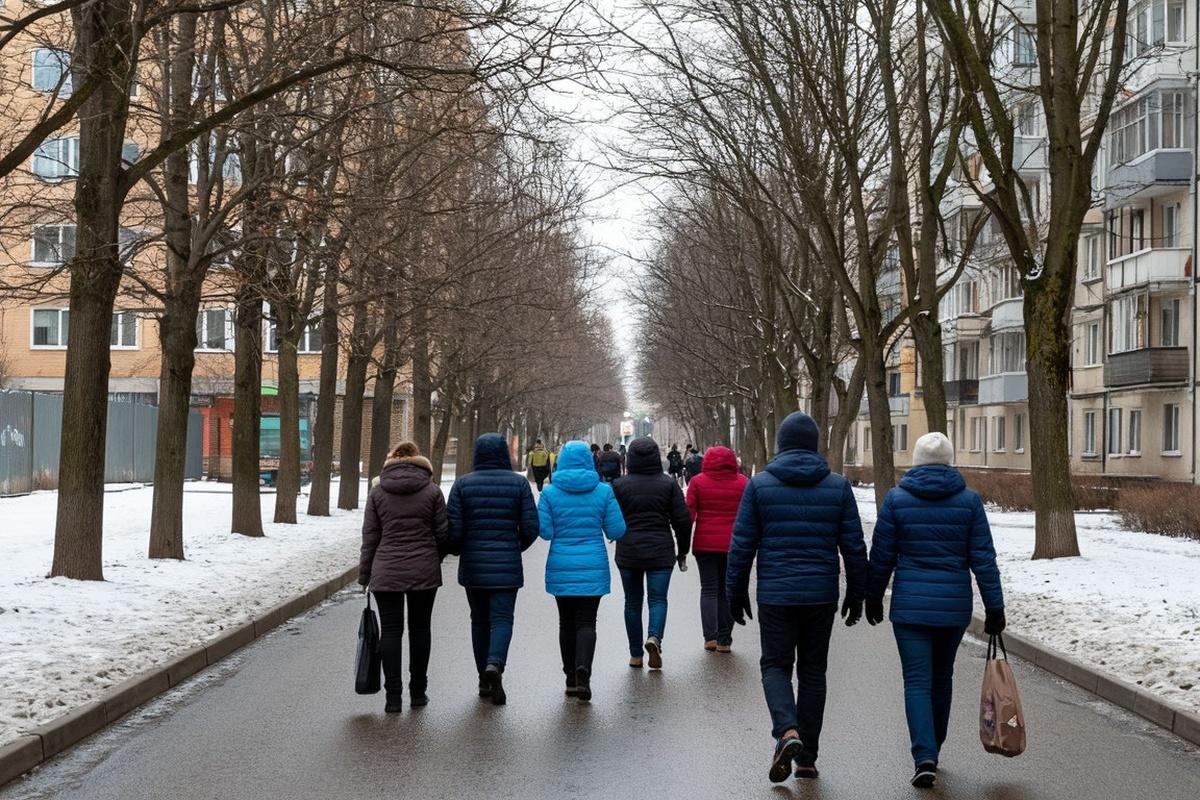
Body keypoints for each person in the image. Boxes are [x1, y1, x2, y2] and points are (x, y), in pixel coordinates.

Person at [726, 411, 867, 783]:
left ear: (781, 444)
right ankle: (807, 759)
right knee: (813, 672)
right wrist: (857, 591)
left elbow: (742, 545)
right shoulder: (837, 487)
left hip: (776, 594)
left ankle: (787, 730)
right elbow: (853, 544)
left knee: (775, 666)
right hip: (821, 594)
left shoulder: (759, 486)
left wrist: (734, 591)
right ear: (814, 445)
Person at [865, 432, 1006, 789]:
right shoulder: (969, 502)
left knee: (916, 681)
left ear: (915, 461)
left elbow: (882, 555)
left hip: (910, 608)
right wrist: (994, 606)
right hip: (953, 607)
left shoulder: (896, 500)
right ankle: (934, 747)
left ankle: (924, 754)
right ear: (949, 462)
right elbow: (983, 558)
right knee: (942, 677)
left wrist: (873, 596)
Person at [446, 433, 540, 706]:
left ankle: (483, 679)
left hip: (474, 564)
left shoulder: (463, 484)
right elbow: (531, 527)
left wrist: (460, 549)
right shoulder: (519, 484)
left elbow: (454, 530)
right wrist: (514, 547)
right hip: (507, 564)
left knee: (479, 620)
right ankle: (495, 664)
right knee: (502, 619)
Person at [358, 441, 448, 713]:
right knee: (420, 629)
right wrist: (433, 557)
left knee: (391, 630)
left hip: (386, 570)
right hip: (424, 569)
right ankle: (418, 693)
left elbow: (370, 536)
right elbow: (443, 534)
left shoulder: (377, 493)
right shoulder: (433, 491)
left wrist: (365, 574)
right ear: (419, 461)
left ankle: (393, 698)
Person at [538, 440, 627, 702]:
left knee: (566, 622)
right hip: (593, 565)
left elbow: (545, 532)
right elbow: (617, 530)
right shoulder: (603, 492)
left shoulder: (550, 494)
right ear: (589, 462)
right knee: (587, 622)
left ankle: (570, 677)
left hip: (561, 564)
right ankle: (583, 669)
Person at [611, 437, 692, 670]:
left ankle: (635, 655)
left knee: (632, 602)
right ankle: (654, 637)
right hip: (660, 550)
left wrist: (615, 535)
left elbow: (613, 519)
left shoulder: (619, 485)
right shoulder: (668, 484)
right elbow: (682, 521)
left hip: (629, 550)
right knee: (657, 599)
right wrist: (683, 551)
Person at [685, 445, 748, 653]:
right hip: (733, 545)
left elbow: (689, 514)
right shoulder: (743, 483)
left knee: (709, 589)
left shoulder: (697, 482)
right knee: (728, 589)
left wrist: (683, 543)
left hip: (705, 544)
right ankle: (724, 639)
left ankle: (710, 637)